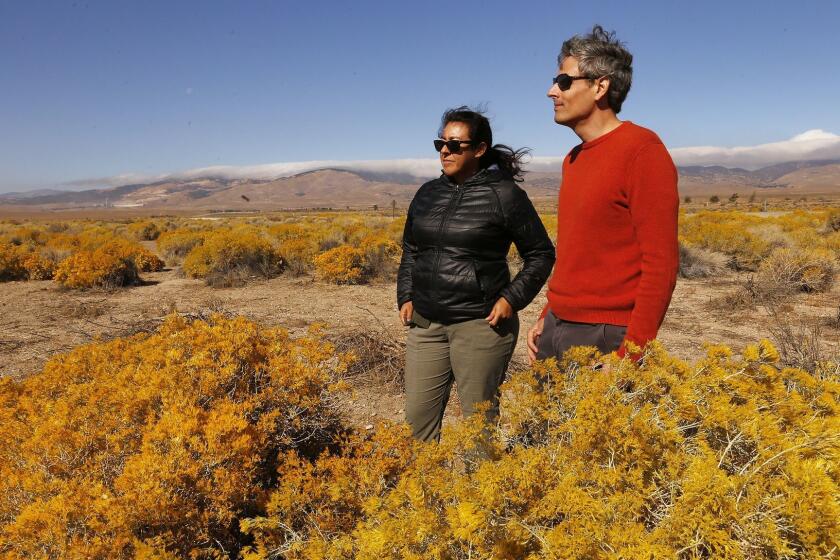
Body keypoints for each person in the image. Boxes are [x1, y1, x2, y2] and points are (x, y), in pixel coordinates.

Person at [397, 107, 555, 442]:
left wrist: (511, 299)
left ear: (479, 150)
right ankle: (425, 490)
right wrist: (406, 294)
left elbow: (540, 254)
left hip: (480, 325)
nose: (444, 150)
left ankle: (479, 492)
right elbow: (411, 249)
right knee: (416, 423)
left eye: (455, 145)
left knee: (477, 426)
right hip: (426, 324)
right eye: (441, 143)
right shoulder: (427, 193)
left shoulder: (504, 194)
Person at [527, 25, 679, 364]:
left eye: (564, 81)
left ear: (600, 86)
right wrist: (548, 313)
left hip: (606, 335)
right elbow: (577, 253)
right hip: (558, 326)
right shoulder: (574, 158)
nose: (552, 91)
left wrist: (631, 354)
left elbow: (661, 264)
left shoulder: (642, 150)